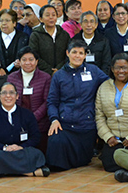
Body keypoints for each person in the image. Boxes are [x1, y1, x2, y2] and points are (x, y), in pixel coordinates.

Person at [46, 40, 109, 170]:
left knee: (82, 161)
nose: (77, 56)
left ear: (85, 55)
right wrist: (54, 119)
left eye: (81, 53)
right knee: (55, 159)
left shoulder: (94, 71)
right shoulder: (58, 76)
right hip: (65, 125)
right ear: (68, 53)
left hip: (86, 125)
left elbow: (111, 83)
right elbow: (52, 101)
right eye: (74, 52)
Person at [0, 82, 49, 179]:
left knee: (36, 153)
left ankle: (5, 171)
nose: (8, 96)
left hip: (21, 152)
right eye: (4, 93)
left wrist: (20, 147)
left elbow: (35, 137)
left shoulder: (27, 114)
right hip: (1, 153)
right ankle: (26, 172)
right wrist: (4, 148)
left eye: (11, 93)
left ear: (17, 96)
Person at [94, 54, 128, 172]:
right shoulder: (103, 87)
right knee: (109, 165)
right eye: (117, 68)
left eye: (124, 67)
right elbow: (99, 116)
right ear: (112, 69)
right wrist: (108, 137)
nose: (121, 71)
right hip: (113, 140)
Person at [7, 47, 52, 145]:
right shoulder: (11, 78)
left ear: (36, 61)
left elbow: (47, 102)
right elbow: (8, 100)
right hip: (17, 123)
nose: (28, 63)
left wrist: (32, 118)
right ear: (19, 61)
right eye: (24, 60)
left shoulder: (46, 78)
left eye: (31, 60)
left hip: (40, 125)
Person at [0, 9, 29, 76]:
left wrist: (21, 63)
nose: (3, 23)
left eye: (7, 21)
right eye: (1, 21)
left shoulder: (24, 38)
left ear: (14, 23)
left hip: (19, 75)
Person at [29, 3, 71, 73]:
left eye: (53, 15)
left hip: (62, 71)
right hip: (42, 72)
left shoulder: (64, 35)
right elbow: (34, 55)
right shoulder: (35, 35)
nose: (51, 17)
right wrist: (49, 70)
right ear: (41, 19)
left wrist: (59, 69)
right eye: (47, 15)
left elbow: (69, 54)